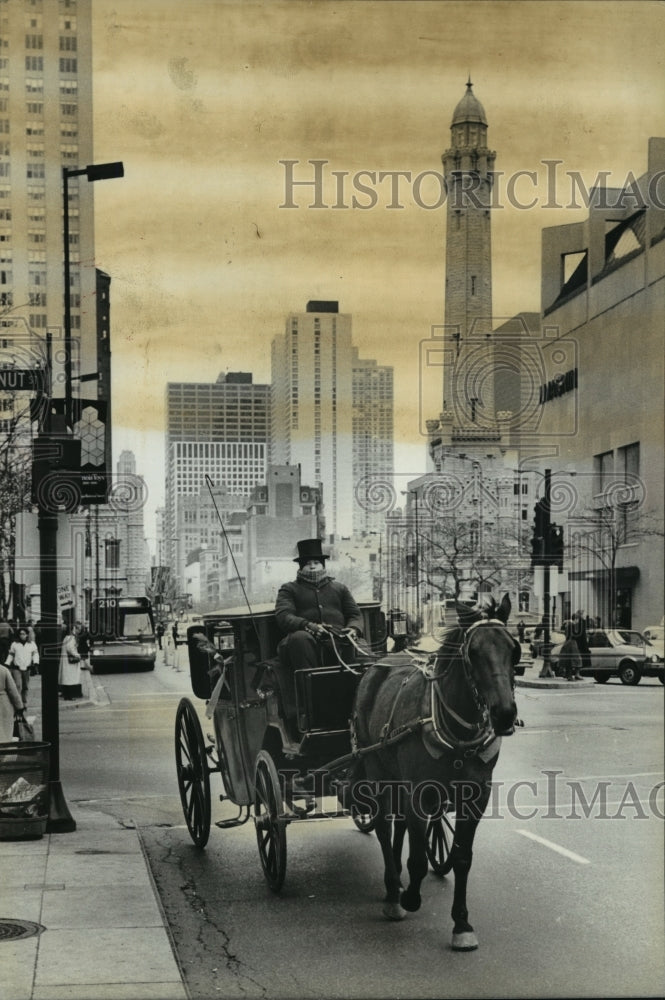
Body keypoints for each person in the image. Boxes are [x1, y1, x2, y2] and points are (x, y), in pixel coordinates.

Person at [274, 538, 368, 725]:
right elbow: (284, 616)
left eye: (316, 563)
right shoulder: (289, 589)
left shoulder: (339, 589)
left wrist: (353, 629)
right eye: (308, 564)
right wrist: (308, 625)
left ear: (322, 564)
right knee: (300, 640)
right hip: (305, 641)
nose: (313, 567)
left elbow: (355, 614)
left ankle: (362, 703)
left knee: (361, 647)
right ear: (301, 567)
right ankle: (312, 705)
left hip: (339, 639)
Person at [4, 625, 39, 709]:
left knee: (25, 686)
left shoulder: (32, 644)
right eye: (20, 634)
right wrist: (7, 663)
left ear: (27, 635)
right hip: (17, 667)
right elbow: (11, 655)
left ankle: (24, 702)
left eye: (24, 634)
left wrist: (36, 662)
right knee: (18, 685)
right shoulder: (15, 644)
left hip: (27, 667)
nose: (22, 635)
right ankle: (19, 704)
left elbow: (35, 654)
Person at [0, 662, 25, 743]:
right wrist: (19, 707)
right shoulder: (3, 670)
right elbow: (13, 691)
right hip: (3, 705)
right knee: (4, 731)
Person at [59, 622, 82, 700]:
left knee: (67, 678)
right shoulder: (71, 637)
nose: (80, 630)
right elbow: (70, 649)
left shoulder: (67, 637)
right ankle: (68, 696)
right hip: (70, 661)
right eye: (78, 628)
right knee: (69, 678)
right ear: (74, 628)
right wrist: (77, 655)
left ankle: (66, 694)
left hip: (67, 660)